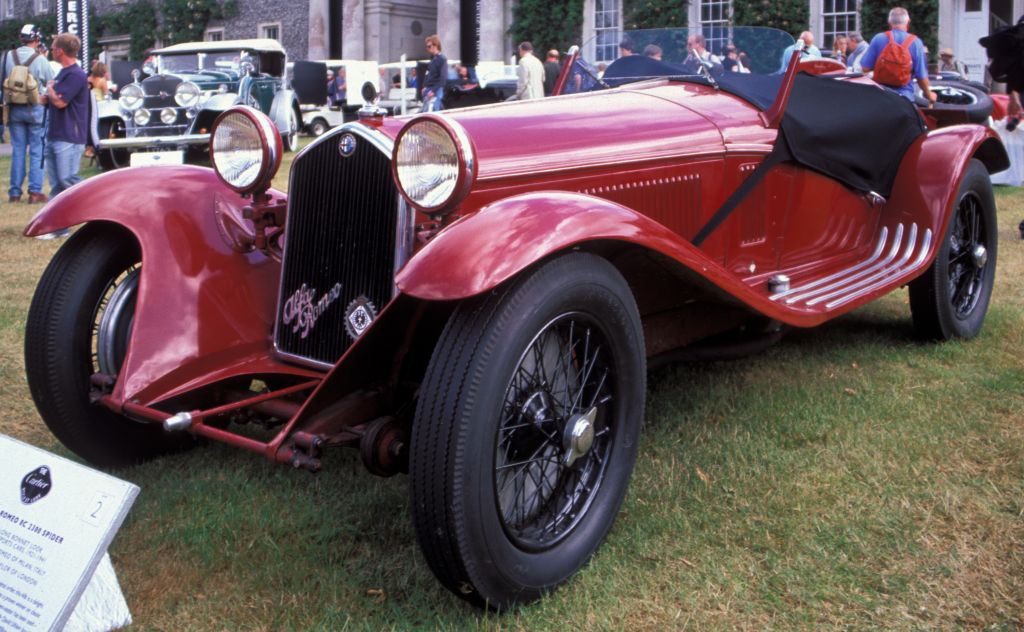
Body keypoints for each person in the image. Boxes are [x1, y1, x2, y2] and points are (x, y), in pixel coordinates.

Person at [5, 24, 55, 203]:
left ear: (21, 38)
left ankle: (14, 193)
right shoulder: (40, 59)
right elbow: (51, 81)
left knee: (18, 150)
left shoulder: (8, 57)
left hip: (14, 108)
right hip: (35, 108)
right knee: (37, 150)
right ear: (36, 39)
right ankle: (35, 192)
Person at [44, 33, 89, 198]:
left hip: (69, 135)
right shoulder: (63, 73)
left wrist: (49, 89)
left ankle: (96, 199)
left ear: (60, 51)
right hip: (56, 133)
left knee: (68, 180)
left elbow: (60, 102)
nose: (51, 50)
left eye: (54, 47)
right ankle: (56, 224)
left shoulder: (76, 74)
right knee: (57, 186)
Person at [860, 7, 936, 103]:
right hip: (904, 98)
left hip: (880, 96)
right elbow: (921, 76)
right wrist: (929, 95)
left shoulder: (878, 38)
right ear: (908, 23)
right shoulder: (916, 43)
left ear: (889, 23)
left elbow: (865, 68)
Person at [422, 34, 446, 112]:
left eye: (429, 46)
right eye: (427, 46)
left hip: (435, 90)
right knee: (426, 111)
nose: (427, 49)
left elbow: (442, 79)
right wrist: (424, 87)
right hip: (429, 89)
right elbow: (428, 74)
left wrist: (433, 91)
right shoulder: (433, 59)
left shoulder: (442, 59)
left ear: (435, 45)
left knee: (434, 111)